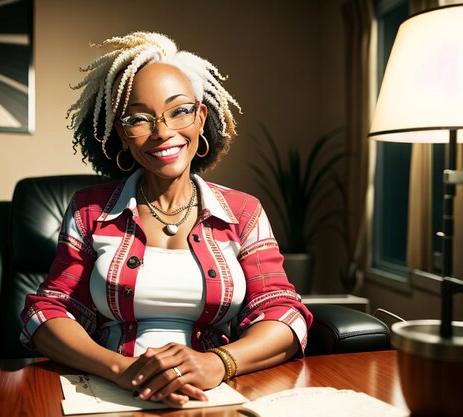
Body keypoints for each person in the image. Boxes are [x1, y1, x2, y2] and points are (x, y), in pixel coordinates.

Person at [20, 32, 313, 405]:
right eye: (139, 119)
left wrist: (217, 363)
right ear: (122, 136)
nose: (163, 132)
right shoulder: (88, 211)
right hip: (108, 394)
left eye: (179, 110)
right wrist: (121, 369)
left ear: (201, 117)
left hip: (216, 397)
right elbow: (47, 313)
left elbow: (284, 312)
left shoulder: (243, 212)